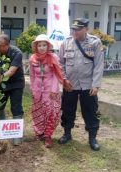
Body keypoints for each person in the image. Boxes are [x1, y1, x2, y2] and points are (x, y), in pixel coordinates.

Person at [58, 18, 104, 151]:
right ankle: (67, 133)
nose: (75, 31)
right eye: (74, 29)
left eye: (78, 29)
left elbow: (98, 66)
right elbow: (60, 63)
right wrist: (64, 80)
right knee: (67, 109)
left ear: (86, 29)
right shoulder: (66, 42)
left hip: (88, 85)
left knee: (90, 111)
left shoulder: (95, 42)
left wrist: (96, 85)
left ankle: (92, 138)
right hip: (70, 84)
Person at [0, 34, 25, 146]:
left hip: (16, 84)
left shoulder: (16, 53)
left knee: (16, 107)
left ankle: (17, 135)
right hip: (2, 84)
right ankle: (1, 129)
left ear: (7, 45)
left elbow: (11, 71)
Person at [29, 34, 64, 148]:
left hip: (50, 90)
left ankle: (48, 135)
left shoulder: (53, 57)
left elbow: (56, 75)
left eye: (44, 45)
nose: (42, 47)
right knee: (37, 112)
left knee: (51, 112)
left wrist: (54, 90)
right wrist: (33, 89)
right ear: (36, 46)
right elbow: (32, 75)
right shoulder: (32, 58)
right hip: (38, 90)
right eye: (39, 45)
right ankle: (39, 133)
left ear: (48, 46)